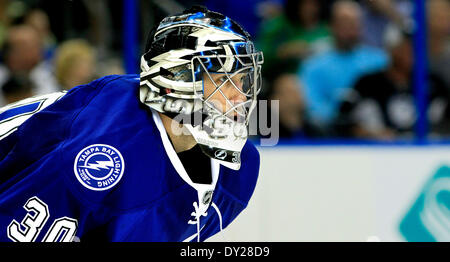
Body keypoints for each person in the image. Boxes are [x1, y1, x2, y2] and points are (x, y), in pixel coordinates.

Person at [0, 6, 262, 242]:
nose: (241, 96)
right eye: (224, 80)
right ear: (177, 78)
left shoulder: (239, 171)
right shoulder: (100, 154)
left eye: (244, 80)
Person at [336, 30, 450, 139]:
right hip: (376, 153)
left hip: (428, 152)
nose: (414, 52)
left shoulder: (434, 83)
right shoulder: (367, 83)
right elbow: (342, 121)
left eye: (418, 47)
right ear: (392, 49)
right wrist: (368, 133)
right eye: (407, 46)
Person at [298, 0, 388, 134]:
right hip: (329, 136)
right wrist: (343, 121)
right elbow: (312, 104)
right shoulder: (313, 65)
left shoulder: (380, 61)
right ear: (331, 26)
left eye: (354, 23)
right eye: (344, 22)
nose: (349, 28)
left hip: (375, 134)